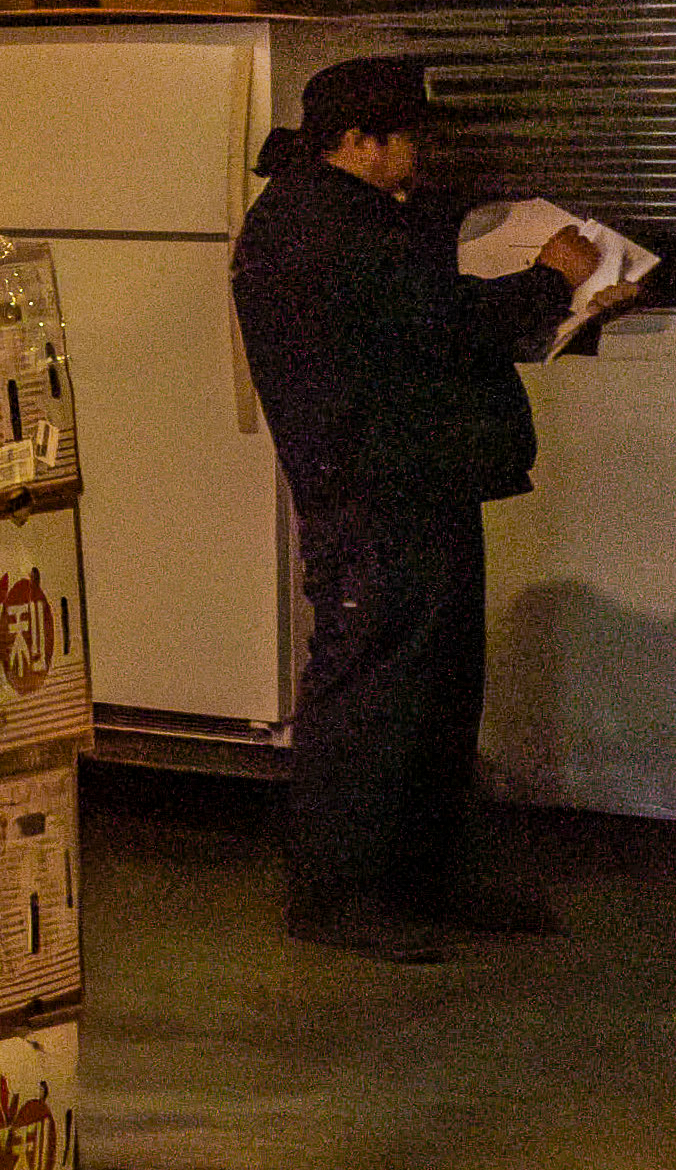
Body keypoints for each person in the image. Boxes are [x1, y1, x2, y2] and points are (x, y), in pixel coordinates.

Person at [226, 54, 624, 961]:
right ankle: (339, 895)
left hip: (417, 482)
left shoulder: (339, 213)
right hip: (372, 494)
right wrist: (553, 280)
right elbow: (440, 324)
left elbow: (423, 315)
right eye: (409, 140)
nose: (422, 158)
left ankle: (424, 875)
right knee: (371, 691)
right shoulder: (322, 229)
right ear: (361, 143)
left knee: (436, 687)